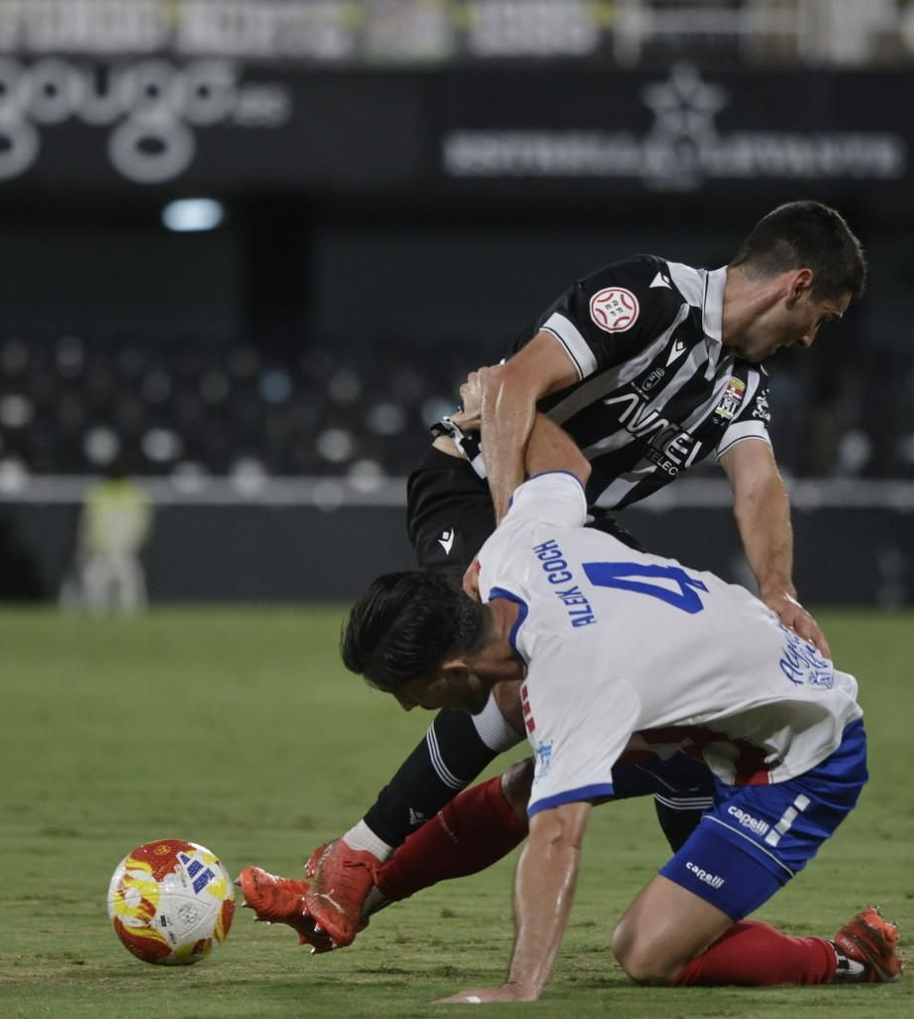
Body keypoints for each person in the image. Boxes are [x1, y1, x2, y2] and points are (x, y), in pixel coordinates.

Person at [257, 201, 868, 950]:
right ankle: (358, 856)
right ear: (796, 284)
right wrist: (515, 530)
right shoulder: (651, 296)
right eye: (822, 317)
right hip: (482, 484)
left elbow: (758, 484)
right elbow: (512, 388)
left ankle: (702, 924)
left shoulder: (742, 382)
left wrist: (780, 590)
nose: (813, 336)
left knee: (670, 736)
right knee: (513, 673)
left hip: (568, 519)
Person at [275, 413, 901, 1000]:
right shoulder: (509, 548)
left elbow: (556, 842)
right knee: (529, 785)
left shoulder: (571, 676)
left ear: (454, 667)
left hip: (802, 750)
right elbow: (564, 462)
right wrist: (502, 404)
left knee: (647, 952)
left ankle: (846, 956)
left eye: (410, 694)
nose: (413, 710)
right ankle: (358, 898)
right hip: (711, 710)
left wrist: (519, 986)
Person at [73, 466, 153, 615]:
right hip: (102, 548)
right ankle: (99, 613)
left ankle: (129, 614)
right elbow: (89, 521)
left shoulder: (132, 493)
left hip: (121, 546)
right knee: (97, 580)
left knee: (126, 580)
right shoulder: (99, 493)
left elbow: (140, 522)